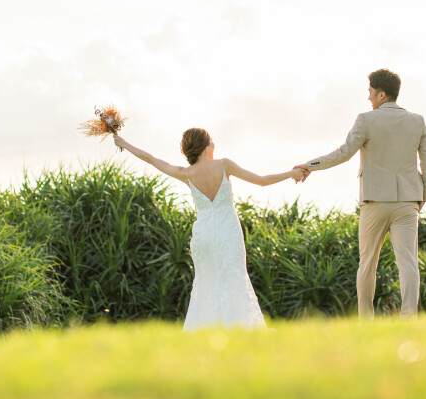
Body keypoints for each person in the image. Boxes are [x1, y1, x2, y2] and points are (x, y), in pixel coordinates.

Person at [113, 129, 304, 330]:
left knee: (206, 281)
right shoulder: (224, 165)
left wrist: (124, 143)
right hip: (228, 232)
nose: (214, 142)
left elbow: (151, 159)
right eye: (211, 140)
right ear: (205, 146)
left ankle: (205, 329)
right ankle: (239, 327)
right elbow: (262, 181)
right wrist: (291, 173)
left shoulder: (186, 173)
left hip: (203, 236)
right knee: (233, 277)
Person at [295, 69, 426, 320]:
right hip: (408, 201)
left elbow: (343, 153)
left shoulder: (365, 120)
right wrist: (423, 195)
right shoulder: (418, 121)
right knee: (409, 263)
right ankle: (409, 318)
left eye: (370, 92)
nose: (368, 97)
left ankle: (366, 321)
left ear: (381, 94)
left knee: (367, 263)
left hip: (374, 201)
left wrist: (310, 165)